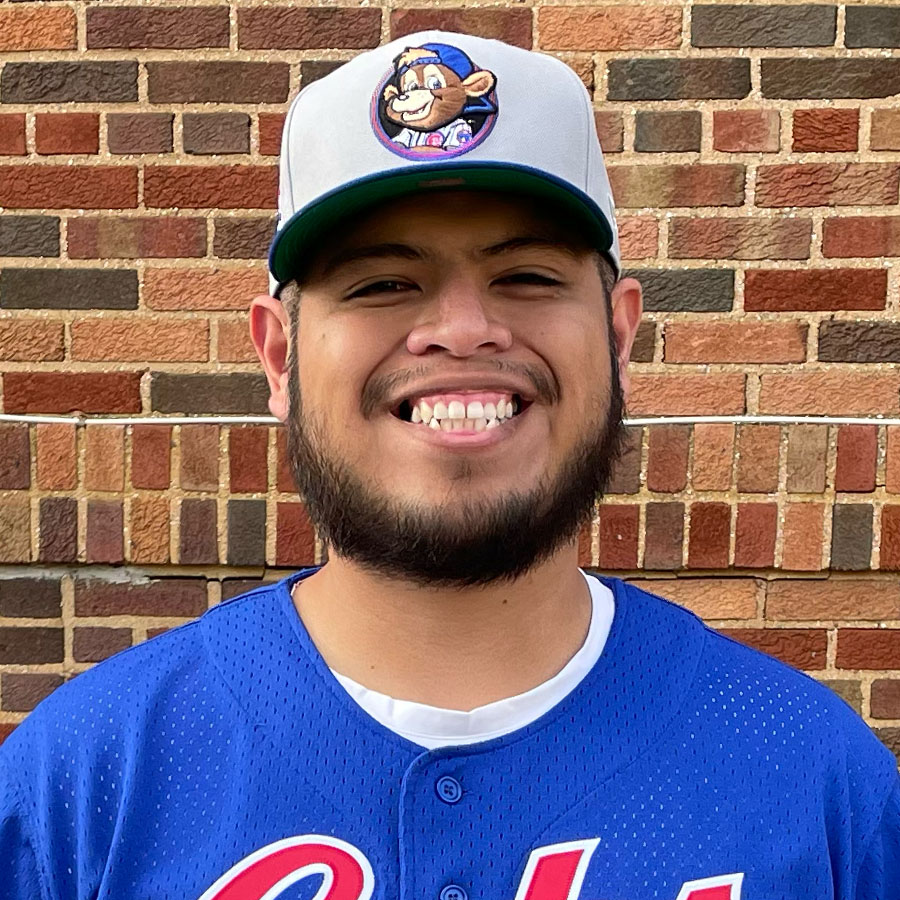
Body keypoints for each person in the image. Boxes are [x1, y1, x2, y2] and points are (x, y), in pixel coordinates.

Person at [1, 31, 897, 900]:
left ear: (621, 336)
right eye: (381, 283)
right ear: (280, 358)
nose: (463, 329)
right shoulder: (83, 785)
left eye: (528, 277)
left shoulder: (818, 780)